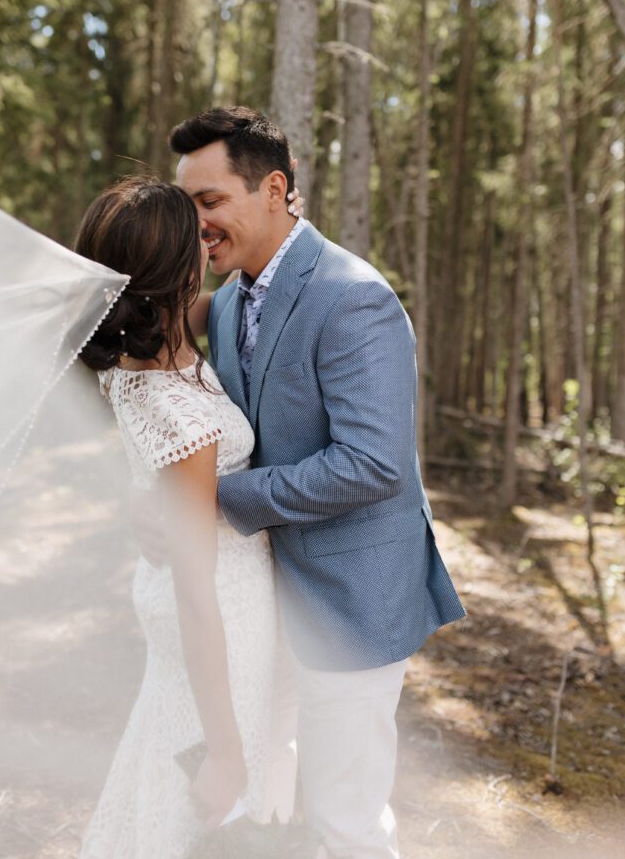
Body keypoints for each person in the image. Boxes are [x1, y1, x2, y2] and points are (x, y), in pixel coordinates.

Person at [132, 106, 466, 859]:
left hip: (350, 602)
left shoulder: (353, 298)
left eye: (208, 203)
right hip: (266, 601)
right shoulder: (230, 300)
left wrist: (212, 501)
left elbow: (372, 464)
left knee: (345, 820)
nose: (195, 225)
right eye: (184, 207)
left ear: (274, 188)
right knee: (269, 808)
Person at [72, 176, 302, 859]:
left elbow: (215, 308)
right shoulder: (182, 415)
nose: (210, 245)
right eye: (198, 238)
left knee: (160, 764)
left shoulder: (143, 351)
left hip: (187, 609)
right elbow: (196, 597)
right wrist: (226, 750)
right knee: (200, 793)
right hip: (214, 620)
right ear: (179, 268)